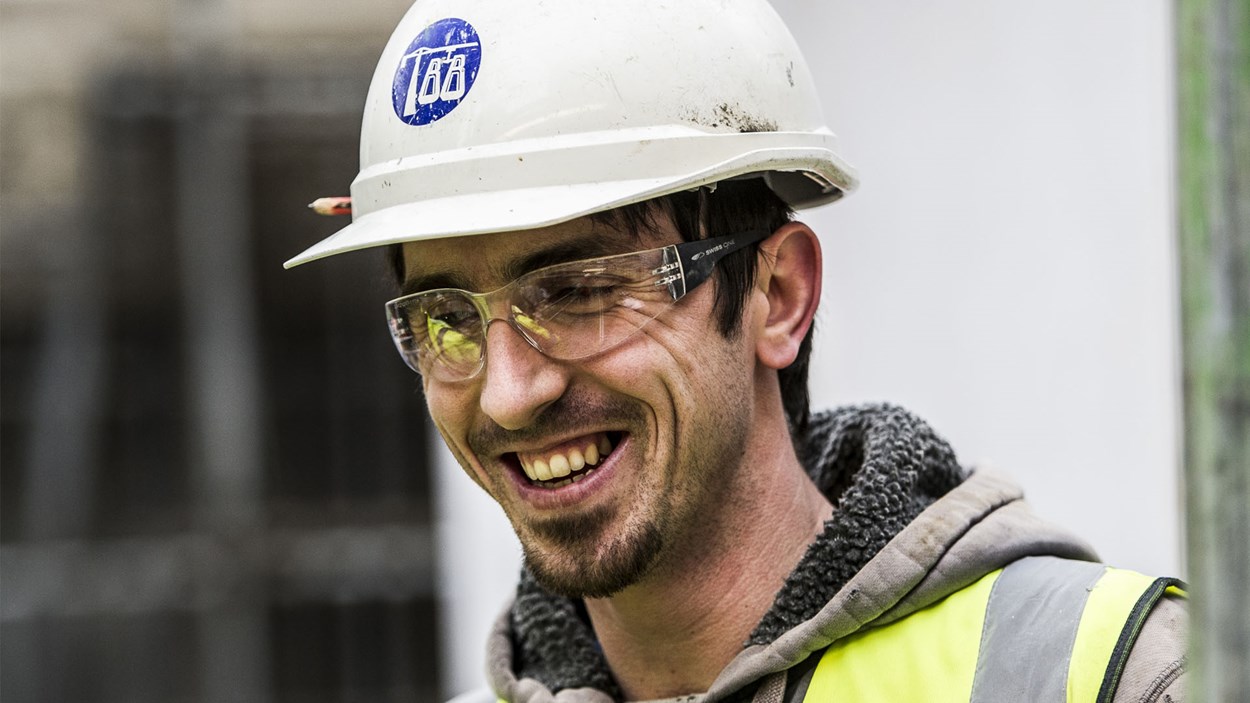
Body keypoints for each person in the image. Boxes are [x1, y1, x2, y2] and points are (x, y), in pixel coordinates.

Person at [286, 1, 1187, 701]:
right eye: (446, 317)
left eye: (578, 290)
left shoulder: (1107, 676)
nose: (509, 394)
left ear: (777, 295)